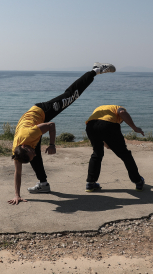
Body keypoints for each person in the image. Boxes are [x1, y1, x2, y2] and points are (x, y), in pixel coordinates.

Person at [8, 63, 116, 205]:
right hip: (32, 124)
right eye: (31, 154)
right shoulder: (18, 152)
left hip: (41, 112)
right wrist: (17, 195)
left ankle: (95, 70)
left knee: (70, 96)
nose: (33, 153)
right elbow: (18, 173)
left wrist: (52, 144)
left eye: (31, 152)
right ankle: (44, 185)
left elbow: (51, 125)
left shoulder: (31, 133)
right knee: (36, 158)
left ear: (26, 146)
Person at [84, 105, 145, 192]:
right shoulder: (118, 108)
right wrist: (135, 128)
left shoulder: (100, 109)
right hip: (108, 125)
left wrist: (108, 144)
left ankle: (90, 183)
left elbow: (99, 126)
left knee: (97, 154)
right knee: (125, 155)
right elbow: (122, 113)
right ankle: (138, 181)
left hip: (90, 126)